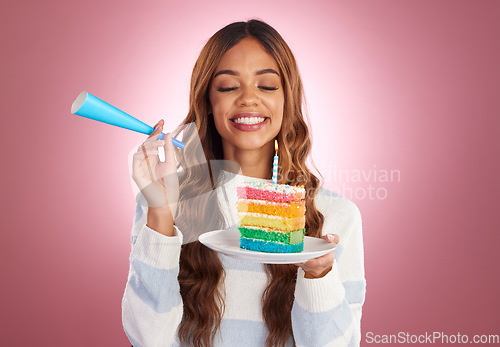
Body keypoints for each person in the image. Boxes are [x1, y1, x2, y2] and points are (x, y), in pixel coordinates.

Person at [122, 19, 365, 347]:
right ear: (208, 101)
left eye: (266, 85)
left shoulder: (336, 216)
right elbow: (148, 339)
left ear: (286, 100)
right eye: (227, 86)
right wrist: (161, 216)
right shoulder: (161, 202)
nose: (249, 99)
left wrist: (318, 274)